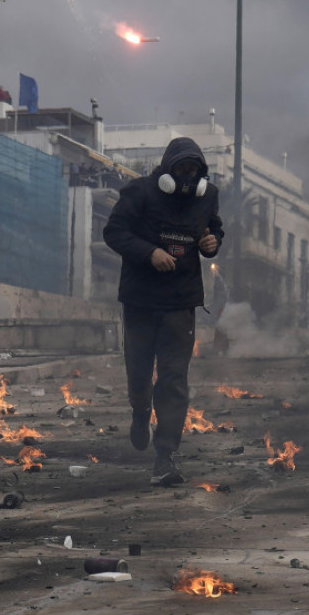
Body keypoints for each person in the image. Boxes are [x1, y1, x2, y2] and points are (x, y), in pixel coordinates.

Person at [103, 137, 224, 486]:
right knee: (140, 374)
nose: (187, 177)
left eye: (194, 171)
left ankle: (165, 455)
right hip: (141, 301)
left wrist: (212, 242)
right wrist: (149, 252)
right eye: (182, 169)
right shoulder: (139, 192)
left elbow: (213, 228)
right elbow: (113, 232)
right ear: (168, 170)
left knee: (173, 380)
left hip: (180, 304)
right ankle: (140, 412)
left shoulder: (208, 196)